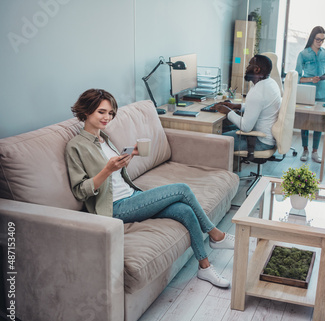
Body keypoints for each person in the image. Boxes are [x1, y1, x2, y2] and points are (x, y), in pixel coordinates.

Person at [65, 88, 234, 288]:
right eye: (101, 112)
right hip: (114, 207)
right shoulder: (75, 146)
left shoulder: (105, 138)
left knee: (185, 211)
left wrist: (129, 157)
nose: (107, 117)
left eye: (110, 113)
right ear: (85, 111)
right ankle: (216, 235)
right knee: (182, 189)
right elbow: (80, 190)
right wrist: (107, 169)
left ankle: (205, 267)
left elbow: (117, 177)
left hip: (132, 195)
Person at [214, 55, 281, 158]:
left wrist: (227, 111)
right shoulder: (270, 83)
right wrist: (236, 106)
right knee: (223, 128)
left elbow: (245, 127)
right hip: (266, 137)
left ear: (256, 69)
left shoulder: (258, 92)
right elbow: (260, 106)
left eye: (249, 65)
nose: (246, 68)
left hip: (259, 141)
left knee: (212, 141)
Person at [295, 26, 325, 163]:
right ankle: (305, 149)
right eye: (318, 39)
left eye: (322, 40)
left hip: (322, 91)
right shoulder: (303, 54)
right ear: (312, 38)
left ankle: (315, 151)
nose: (320, 42)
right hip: (307, 91)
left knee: (319, 122)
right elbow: (297, 77)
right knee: (305, 122)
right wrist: (310, 79)